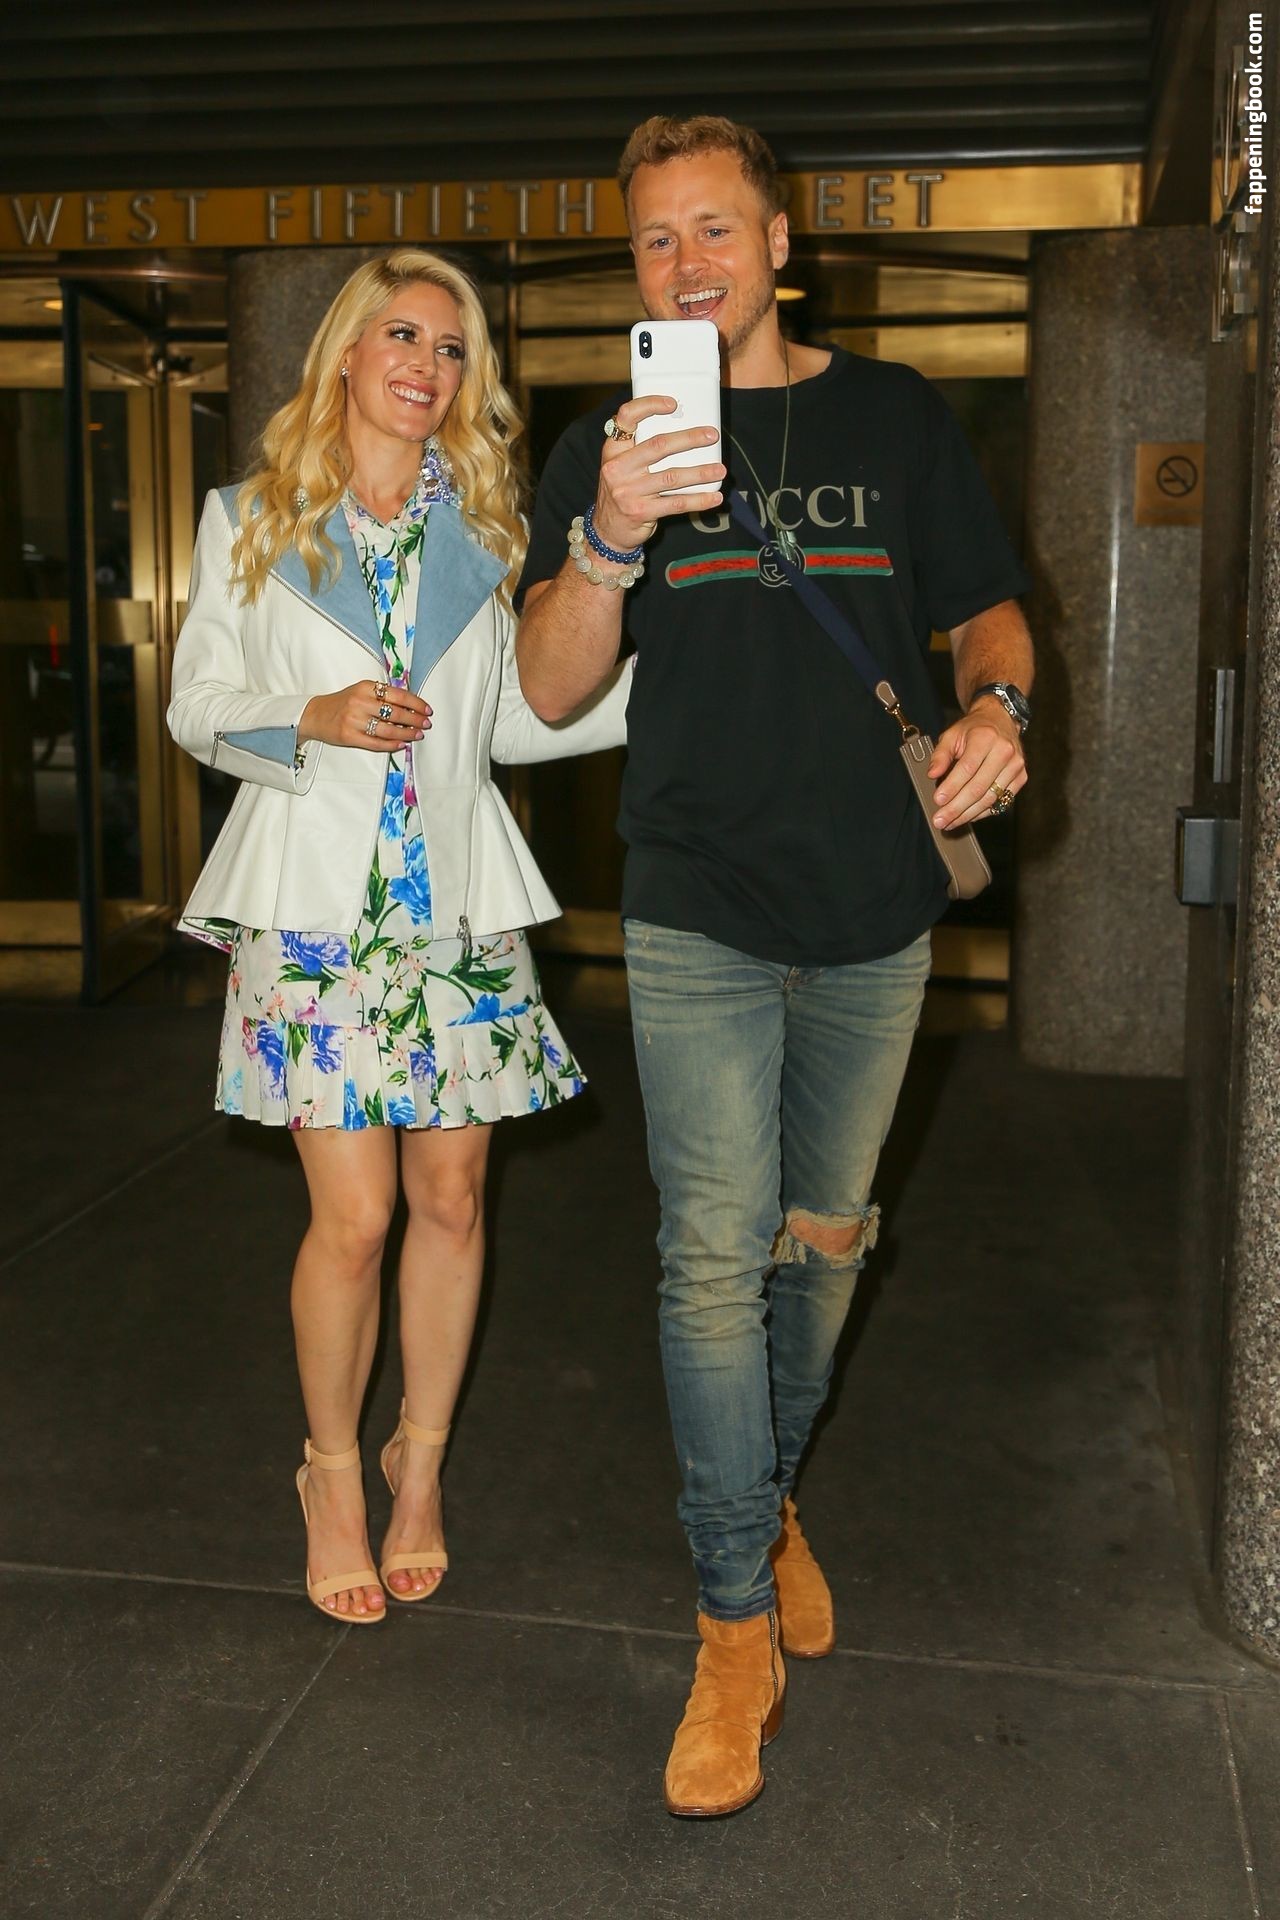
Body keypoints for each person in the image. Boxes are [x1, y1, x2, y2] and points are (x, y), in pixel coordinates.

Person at [516, 116, 1033, 1816]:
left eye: (715, 230)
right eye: (656, 240)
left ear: (780, 242)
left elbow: (988, 610)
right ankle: (730, 1618)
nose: (688, 265)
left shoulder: (894, 416)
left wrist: (997, 709)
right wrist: (607, 533)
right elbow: (551, 681)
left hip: (877, 905)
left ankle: (765, 1487)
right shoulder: (604, 445)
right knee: (707, 1260)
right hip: (695, 903)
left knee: (825, 1242)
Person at [169, 249, 631, 1628]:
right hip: (314, 910)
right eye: (404, 337)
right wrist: (309, 718)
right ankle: (330, 1472)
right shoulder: (252, 517)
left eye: (452, 347)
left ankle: (417, 1464)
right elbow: (196, 705)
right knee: (356, 1220)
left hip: (459, 910)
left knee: (454, 1201)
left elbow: (509, 724)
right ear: (349, 354)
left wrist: (676, 687)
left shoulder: (490, 533)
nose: (427, 366)